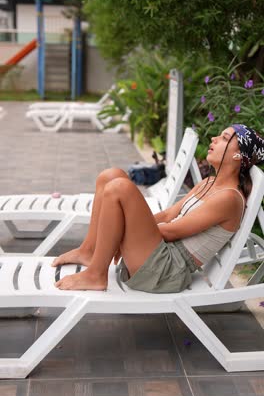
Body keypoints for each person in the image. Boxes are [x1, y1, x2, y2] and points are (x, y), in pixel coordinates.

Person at [52, 124, 264, 292]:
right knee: (110, 175)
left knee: (120, 187)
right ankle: (89, 251)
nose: (214, 139)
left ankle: (96, 275)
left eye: (225, 139)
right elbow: (168, 214)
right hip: (157, 253)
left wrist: (121, 235)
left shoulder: (228, 198)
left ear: (238, 156)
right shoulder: (208, 182)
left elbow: (171, 231)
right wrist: (124, 232)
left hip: (166, 270)